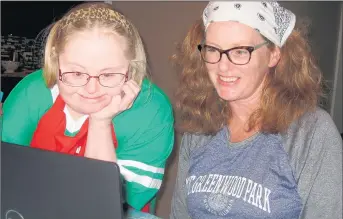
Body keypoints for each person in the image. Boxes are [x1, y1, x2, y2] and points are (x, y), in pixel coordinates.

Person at [170, 1, 342, 219]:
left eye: (241, 51)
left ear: (273, 55)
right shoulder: (200, 129)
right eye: (213, 50)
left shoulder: (312, 133)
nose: (223, 66)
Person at [2, 2, 174, 215]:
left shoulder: (151, 111)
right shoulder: (31, 93)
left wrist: (100, 122)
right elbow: (7, 178)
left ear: (132, 66)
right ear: (55, 61)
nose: (92, 89)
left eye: (108, 75)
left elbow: (100, 209)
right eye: (76, 74)